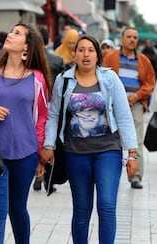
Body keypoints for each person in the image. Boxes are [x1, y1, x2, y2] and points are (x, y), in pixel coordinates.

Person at [40, 34, 139, 244]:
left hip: (108, 151)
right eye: (81, 50)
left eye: (91, 50)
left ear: (97, 55)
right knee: (82, 209)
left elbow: (123, 116)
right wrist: (48, 145)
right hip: (75, 154)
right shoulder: (63, 80)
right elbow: (54, 114)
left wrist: (132, 153)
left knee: (106, 206)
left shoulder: (110, 79)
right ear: (74, 54)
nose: (86, 54)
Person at [0, 23, 51, 244]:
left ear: (27, 47)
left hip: (26, 154)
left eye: (17, 33)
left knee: (18, 209)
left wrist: (40, 153)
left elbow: (41, 118)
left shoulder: (37, 78)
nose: (10, 35)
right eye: (11, 31)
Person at [103, 27, 155, 189]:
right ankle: (110, 173)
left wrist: (136, 96)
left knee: (136, 140)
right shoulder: (111, 57)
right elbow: (102, 77)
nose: (132, 40)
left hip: (135, 104)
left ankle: (136, 176)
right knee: (111, 139)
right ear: (122, 39)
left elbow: (150, 82)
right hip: (113, 104)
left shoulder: (143, 60)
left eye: (135, 37)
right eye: (129, 37)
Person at [33, 26, 64, 191]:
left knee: (35, 137)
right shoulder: (57, 60)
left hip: (33, 104)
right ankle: (46, 175)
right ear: (48, 40)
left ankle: (37, 171)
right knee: (49, 140)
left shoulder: (29, 59)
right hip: (51, 103)